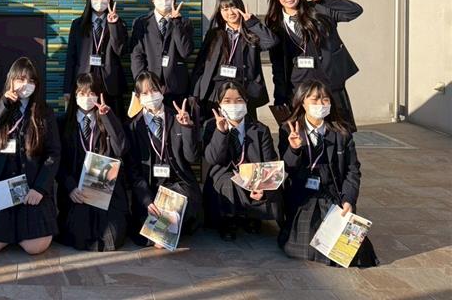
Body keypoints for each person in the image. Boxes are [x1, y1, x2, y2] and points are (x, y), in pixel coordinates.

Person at [277, 79, 378, 267]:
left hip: (332, 192)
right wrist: (294, 149)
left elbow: (352, 170)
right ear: (302, 102)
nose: (320, 104)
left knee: (355, 254)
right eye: (314, 99)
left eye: (325, 99)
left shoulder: (342, 132)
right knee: (301, 247)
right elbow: (285, 169)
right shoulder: (289, 129)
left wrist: (348, 200)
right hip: (303, 194)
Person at [0, 57, 60, 255]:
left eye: (31, 80)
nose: (25, 85)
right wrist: (4, 103)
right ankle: (11, 230)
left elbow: (53, 153)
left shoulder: (44, 112)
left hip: (31, 188)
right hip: (1, 188)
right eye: (21, 79)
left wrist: (40, 187)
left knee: (35, 247)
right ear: (11, 80)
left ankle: (21, 231)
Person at [265, 0, 362, 129]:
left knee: (339, 133)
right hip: (297, 88)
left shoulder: (319, 10)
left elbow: (355, 11)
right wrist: (280, 98)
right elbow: (278, 65)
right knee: (302, 135)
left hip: (329, 84)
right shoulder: (274, 23)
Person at [124, 71, 201, 247]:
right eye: (145, 93)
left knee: (166, 226)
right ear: (138, 97)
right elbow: (133, 171)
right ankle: (165, 230)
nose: (151, 96)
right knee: (146, 231)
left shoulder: (178, 118)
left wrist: (187, 127)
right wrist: (146, 199)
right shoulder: (132, 127)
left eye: (154, 90)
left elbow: (192, 157)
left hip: (177, 186)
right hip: (150, 188)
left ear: (163, 89)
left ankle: (166, 231)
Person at [202, 81, 283, 241]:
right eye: (227, 101)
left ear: (246, 102)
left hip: (253, 176)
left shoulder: (260, 129)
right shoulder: (211, 126)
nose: (233, 105)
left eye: (238, 100)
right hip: (225, 177)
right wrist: (221, 132)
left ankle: (252, 216)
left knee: (271, 188)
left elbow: (270, 162)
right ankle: (229, 220)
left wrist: (263, 186)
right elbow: (213, 158)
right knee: (228, 182)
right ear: (219, 104)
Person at [56, 73, 128, 251]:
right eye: (82, 93)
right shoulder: (62, 123)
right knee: (79, 233)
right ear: (75, 96)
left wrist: (107, 117)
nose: (87, 98)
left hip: (104, 191)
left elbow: (121, 149)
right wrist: (70, 187)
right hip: (76, 191)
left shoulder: (108, 120)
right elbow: (57, 161)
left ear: (99, 95)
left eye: (91, 93)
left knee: (112, 236)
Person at [191, 0, 278, 120]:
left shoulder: (250, 33)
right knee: (216, 127)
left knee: (243, 128)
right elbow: (201, 65)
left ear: (240, 8)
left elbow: (271, 42)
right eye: (225, 9)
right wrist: (195, 92)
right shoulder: (214, 34)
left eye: (233, 7)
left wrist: (252, 23)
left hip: (243, 91)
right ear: (220, 12)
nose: (230, 12)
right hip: (216, 92)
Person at [63, 0, 128, 114]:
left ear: (110, 0)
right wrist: (67, 89)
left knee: (110, 121)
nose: (100, 1)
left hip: (110, 83)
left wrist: (113, 25)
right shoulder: (78, 25)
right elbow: (71, 58)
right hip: (84, 82)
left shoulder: (119, 23)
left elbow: (120, 51)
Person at [130, 0, 195, 108]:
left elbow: (185, 52)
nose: (164, 0)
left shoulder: (184, 23)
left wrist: (176, 23)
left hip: (176, 86)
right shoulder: (141, 23)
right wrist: (142, 81)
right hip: (149, 87)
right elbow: (136, 55)